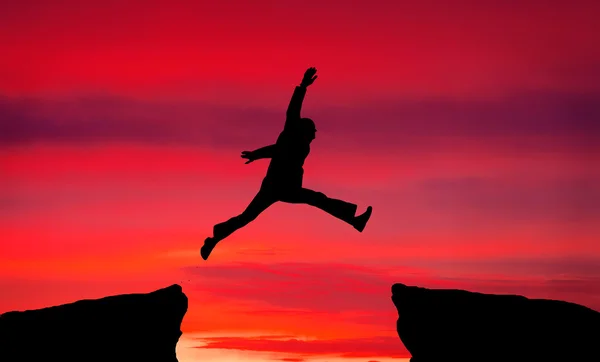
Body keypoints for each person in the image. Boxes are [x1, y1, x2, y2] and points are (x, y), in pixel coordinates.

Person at [201, 67, 373, 260]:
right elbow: (291, 114)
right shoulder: (292, 134)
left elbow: (276, 149)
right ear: (305, 130)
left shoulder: (302, 144)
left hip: (284, 187)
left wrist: (257, 154)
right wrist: (302, 87)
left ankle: (216, 237)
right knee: (314, 199)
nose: (316, 134)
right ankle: (353, 219)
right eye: (313, 130)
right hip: (278, 186)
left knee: (250, 216)